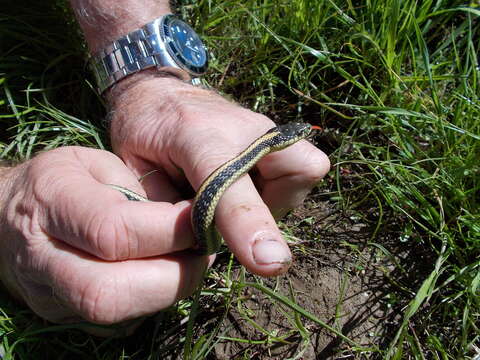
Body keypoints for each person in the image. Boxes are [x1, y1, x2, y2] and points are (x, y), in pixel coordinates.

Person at [0, 0, 330, 332]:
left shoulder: (254, 152)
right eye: (298, 135)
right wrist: (6, 197)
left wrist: (146, 79)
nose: (301, 138)